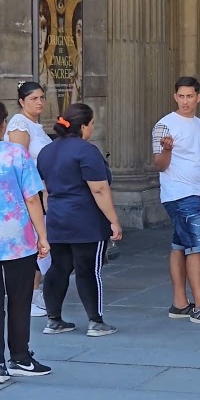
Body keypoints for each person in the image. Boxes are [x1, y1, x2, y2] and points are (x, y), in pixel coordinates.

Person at [0, 99, 53, 383]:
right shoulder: (15, 154)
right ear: (3, 124)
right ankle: (19, 356)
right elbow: (32, 197)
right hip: (18, 237)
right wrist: (42, 236)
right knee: (19, 299)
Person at [37, 102, 124, 337]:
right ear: (83, 126)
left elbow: (45, 191)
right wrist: (113, 221)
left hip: (57, 218)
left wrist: (50, 216)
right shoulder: (86, 150)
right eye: (92, 124)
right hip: (86, 222)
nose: (92, 129)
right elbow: (99, 190)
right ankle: (96, 322)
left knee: (58, 268)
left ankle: (53, 319)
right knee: (88, 270)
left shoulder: (47, 151)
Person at [152, 76, 200, 325]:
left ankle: (180, 303)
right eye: (180, 96)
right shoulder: (164, 125)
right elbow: (159, 165)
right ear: (175, 97)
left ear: (198, 97)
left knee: (180, 245)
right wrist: (168, 150)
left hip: (196, 192)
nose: (185, 101)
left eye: (189, 96)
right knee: (196, 247)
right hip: (178, 193)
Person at [5, 80, 53, 317]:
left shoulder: (36, 125)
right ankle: (28, 296)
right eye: (34, 98)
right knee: (33, 245)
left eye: (42, 97)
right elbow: (19, 162)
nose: (40, 102)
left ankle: (36, 293)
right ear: (22, 101)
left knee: (41, 247)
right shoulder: (19, 124)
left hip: (42, 191)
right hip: (29, 194)